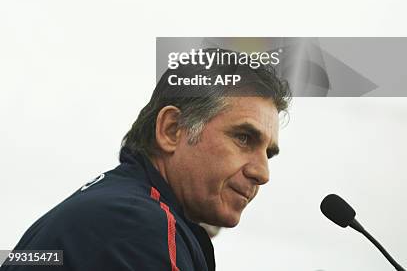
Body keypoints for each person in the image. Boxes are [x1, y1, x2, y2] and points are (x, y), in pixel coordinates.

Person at [3, 52, 290, 270]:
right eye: (243, 138)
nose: (262, 172)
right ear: (171, 130)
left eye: (268, 153)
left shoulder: (116, 206)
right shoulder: (138, 227)